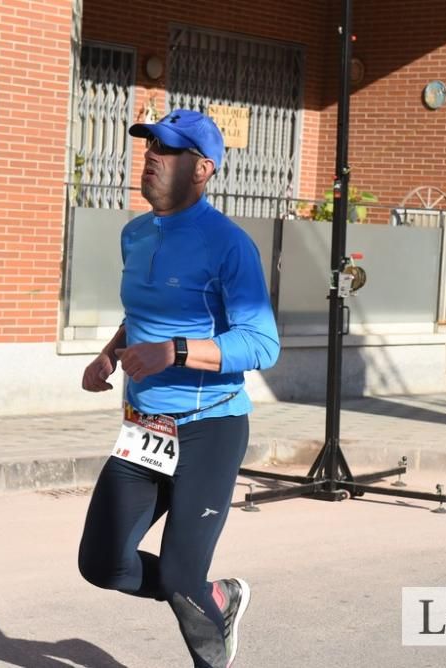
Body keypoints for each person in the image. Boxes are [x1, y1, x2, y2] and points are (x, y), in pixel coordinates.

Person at [78, 109, 280, 668]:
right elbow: (141, 313)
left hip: (209, 427)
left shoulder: (229, 245)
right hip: (145, 430)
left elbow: (263, 344)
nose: (151, 158)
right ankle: (221, 598)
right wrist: (110, 353)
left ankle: (204, 616)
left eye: (167, 151)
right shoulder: (135, 233)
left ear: (202, 169)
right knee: (102, 564)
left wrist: (177, 351)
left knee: (179, 576)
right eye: (149, 148)